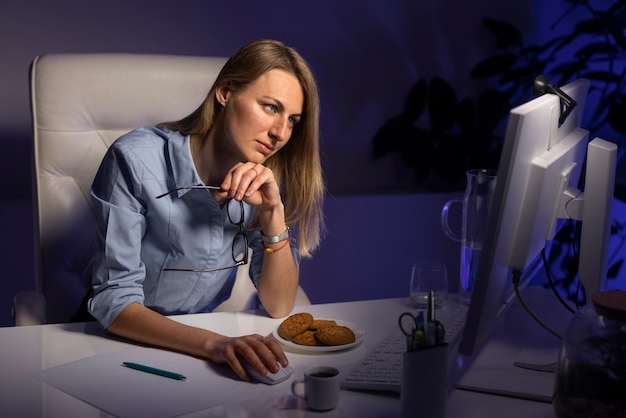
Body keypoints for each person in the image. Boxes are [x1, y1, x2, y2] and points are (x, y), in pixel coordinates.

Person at [86, 39, 325, 382]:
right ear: (226, 92)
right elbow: (115, 302)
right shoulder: (135, 159)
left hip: (199, 349)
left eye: (293, 120)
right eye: (270, 107)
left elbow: (280, 304)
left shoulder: (263, 180)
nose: (280, 133)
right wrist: (216, 345)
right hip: (117, 346)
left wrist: (273, 213)